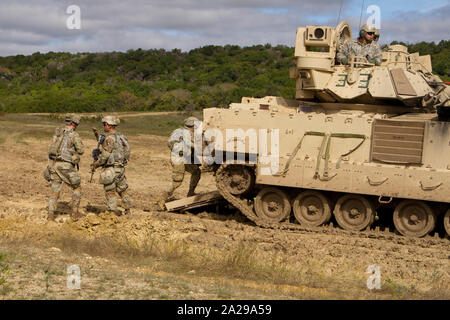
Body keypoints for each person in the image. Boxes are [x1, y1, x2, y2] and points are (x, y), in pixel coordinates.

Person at [45, 113, 84, 221]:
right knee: (77, 187)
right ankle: (75, 213)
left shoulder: (58, 133)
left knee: (55, 191)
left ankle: (51, 215)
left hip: (54, 165)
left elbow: (51, 150)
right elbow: (81, 150)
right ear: (74, 123)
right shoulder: (74, 135)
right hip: (66, 166)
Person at [157, 116, 202, 210]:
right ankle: (161, 199)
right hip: (178, 159)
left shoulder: (193, 134)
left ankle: (190, 194)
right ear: (192, 125)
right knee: (177, 181)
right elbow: (171, 143)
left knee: (196, 172)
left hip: (187, 159)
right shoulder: (179, 132)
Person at [91, 115, 131, 215]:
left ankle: (112, 212)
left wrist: (96, 164)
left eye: (104, 124)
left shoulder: (109, 138)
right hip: (120, 168)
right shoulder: (121, 137)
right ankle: (128, 210)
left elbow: (105, 156)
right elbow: (127, 151)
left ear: (109, 125)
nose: (103, 126)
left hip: (111, 169)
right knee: (122, 190)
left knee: (110, 191)